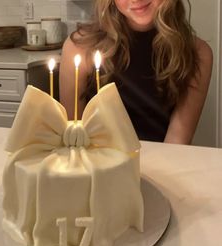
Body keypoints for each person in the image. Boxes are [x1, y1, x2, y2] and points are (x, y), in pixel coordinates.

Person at [59, 0, 213, 144]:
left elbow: (176, 142)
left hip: (161, 167)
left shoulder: (198, 54)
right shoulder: (79, 48)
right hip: (96, 168)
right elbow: (74, 138)